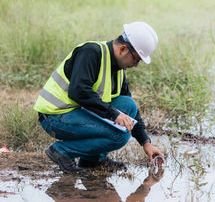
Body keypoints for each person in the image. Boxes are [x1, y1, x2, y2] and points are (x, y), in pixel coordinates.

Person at [34, 21, 165, 173]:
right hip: (54, 117)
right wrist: (114, 114)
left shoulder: (118, 69)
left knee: (128, 105)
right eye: (136, 59)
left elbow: (132, 111)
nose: (136, 65)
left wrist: (146, 143)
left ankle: (92, 159)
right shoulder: (91, 52)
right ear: (123, 49)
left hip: (76, 113)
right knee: (119, 136)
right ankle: (62, 152)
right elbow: (79, 91)